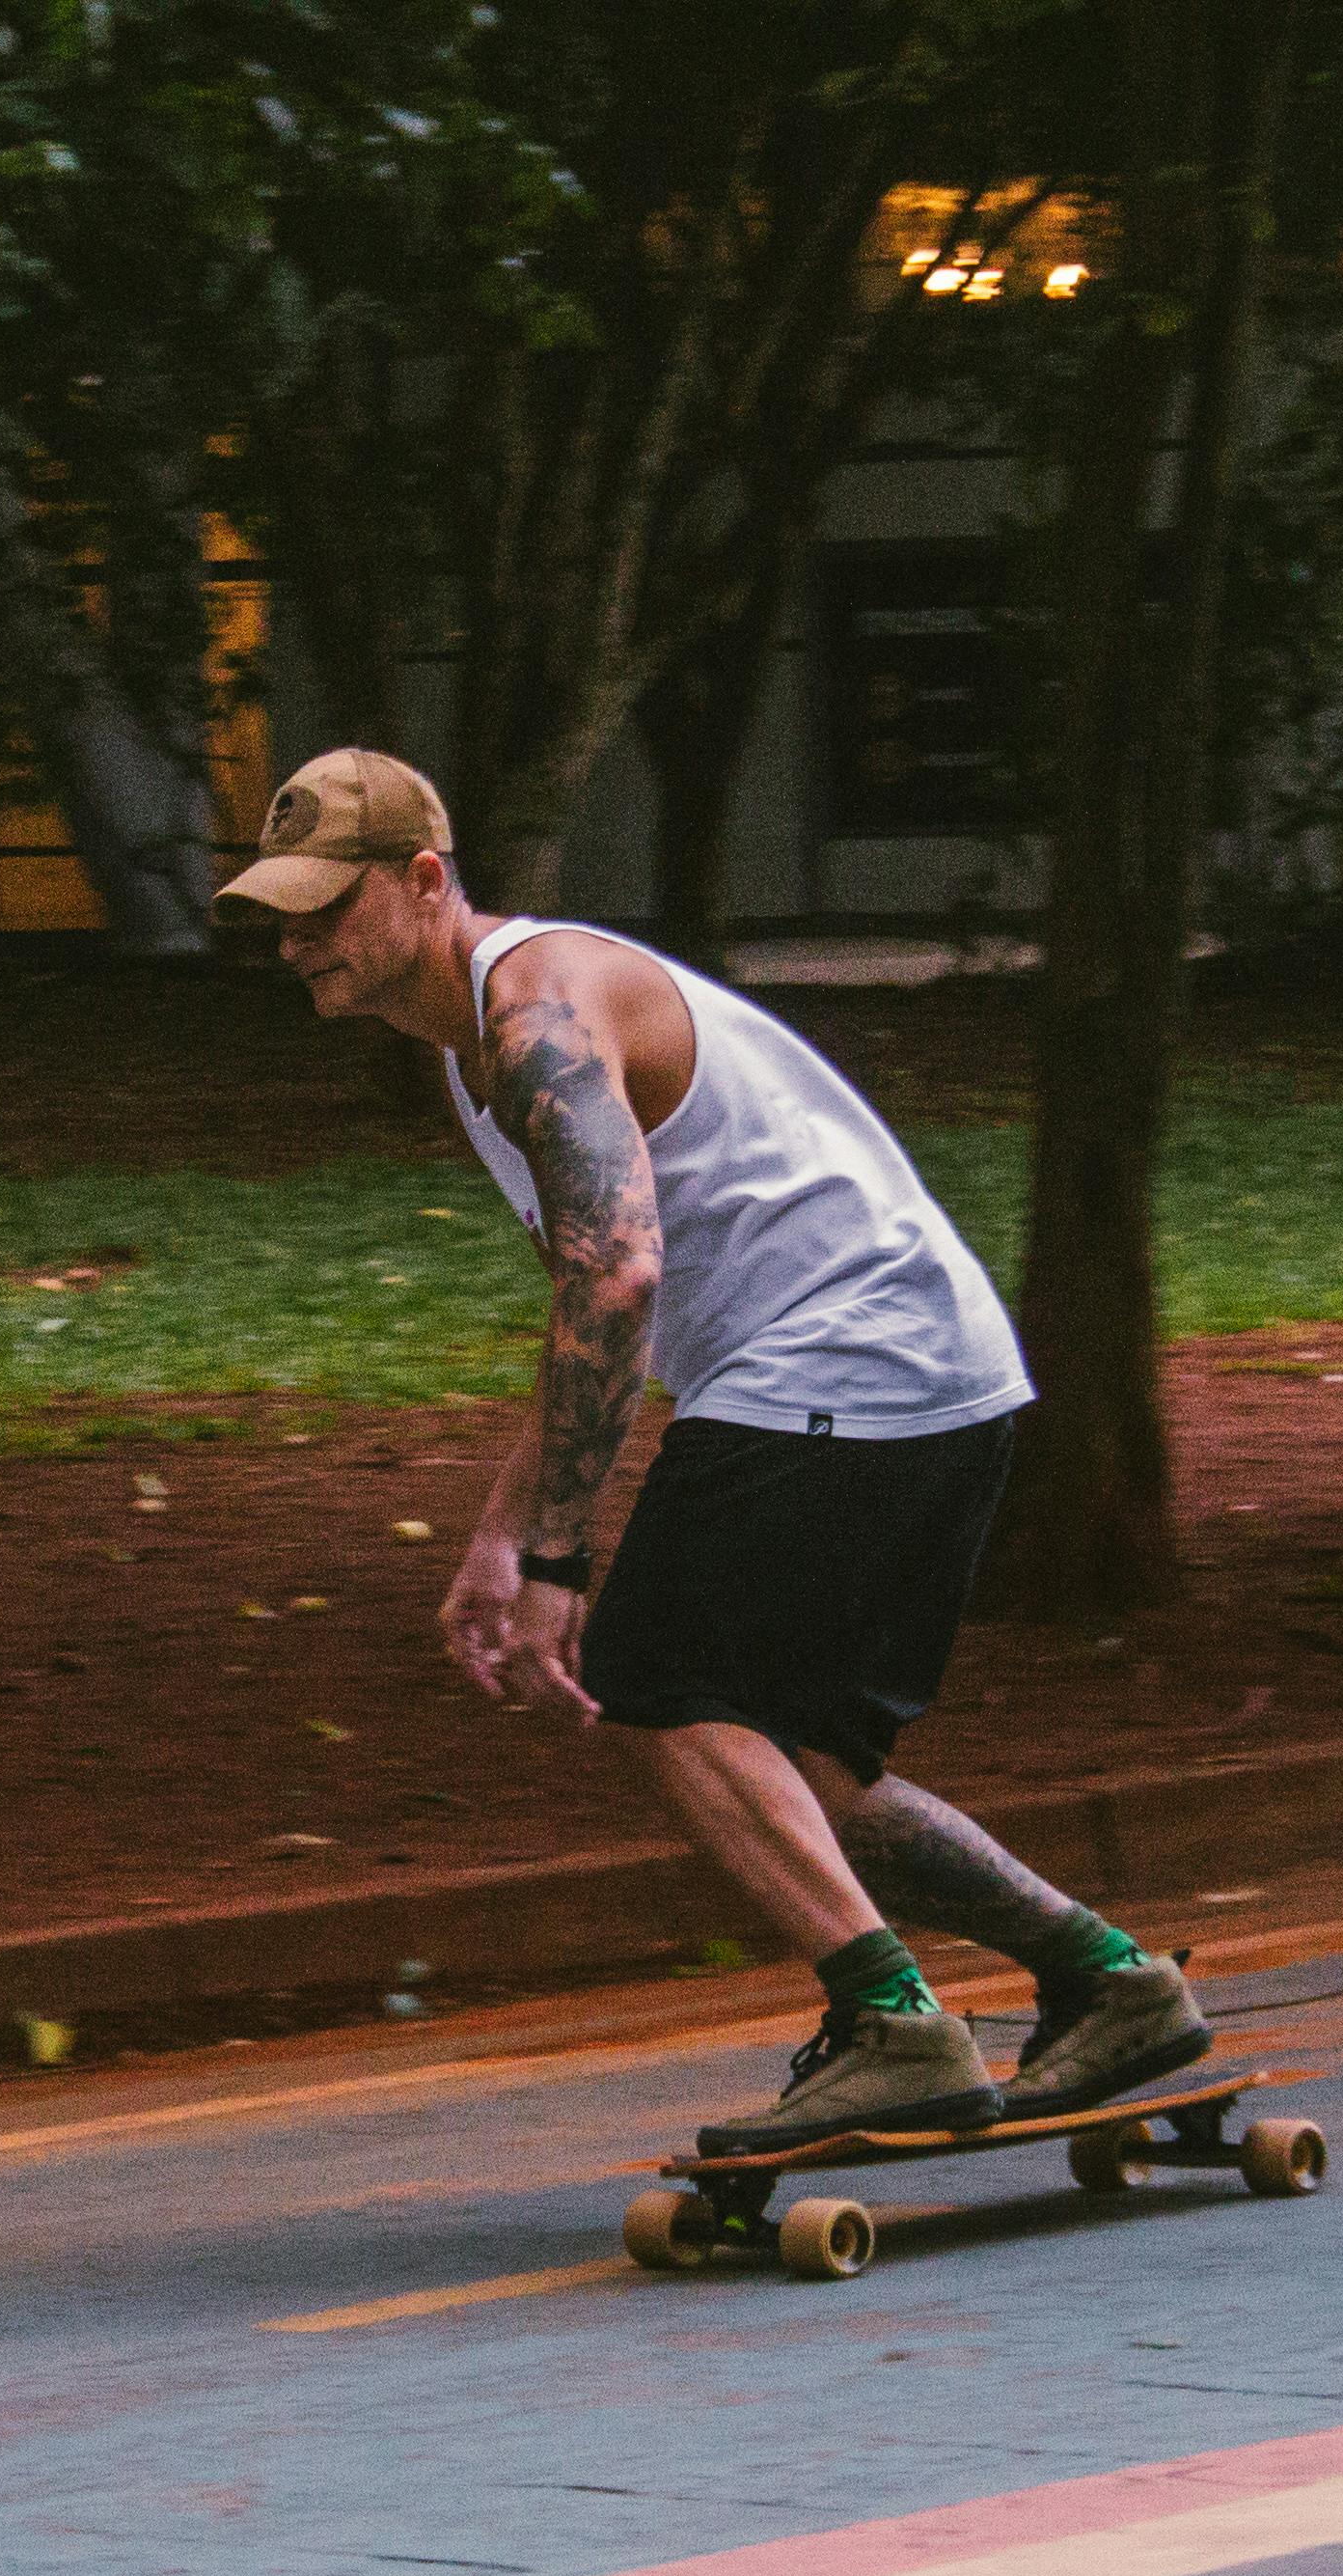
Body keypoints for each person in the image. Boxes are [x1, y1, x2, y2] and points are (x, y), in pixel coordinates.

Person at [216, 746, 1207, 2152]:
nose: (297, 939)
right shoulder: (476, 1045)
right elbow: (602, 1304)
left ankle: (894, 2026)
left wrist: (563, 1553)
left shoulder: (534, 1006)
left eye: (326, 905)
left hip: (847, 1353)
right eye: (280, 911)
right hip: (917, 1365)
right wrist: (505, 1530)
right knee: (797, 1767)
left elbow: (616, 1275)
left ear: (427, 881)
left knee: (663, 1680)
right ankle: (1109, 1984)